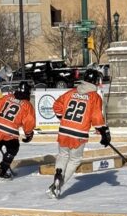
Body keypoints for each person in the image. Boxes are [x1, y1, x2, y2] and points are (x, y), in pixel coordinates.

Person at [47, 67, 110, 198]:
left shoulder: (71, 92)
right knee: (75, 160)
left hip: (64, 130)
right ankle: (60, 183)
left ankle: (58, 172)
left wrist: (62, 118)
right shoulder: (94, 97)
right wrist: (104, 132)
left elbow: (57, 105)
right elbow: (97, 117)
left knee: (62, 155)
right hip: (79, 133)